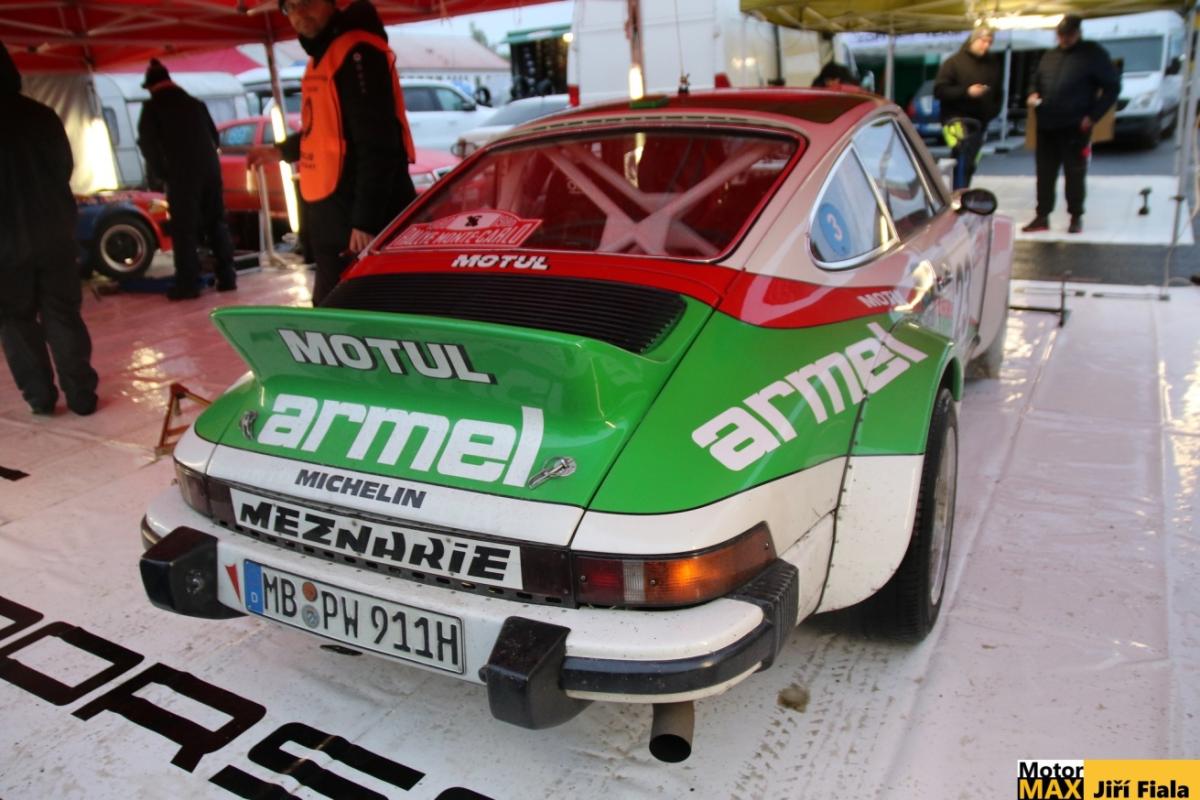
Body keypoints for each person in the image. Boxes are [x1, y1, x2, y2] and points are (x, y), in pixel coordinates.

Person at [248, 0, 416, 305]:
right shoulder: (323, 57)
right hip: (332, 215)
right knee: (333, 310)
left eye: (306, 2)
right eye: (289, 7)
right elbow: (323, 131)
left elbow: (378, 143)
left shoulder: (357, 53)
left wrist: (365, 220)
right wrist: (280, 151)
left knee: (360, 311)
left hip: (357, 219)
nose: (299, 13)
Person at [0, 42, 99, 416]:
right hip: (54, 232)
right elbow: (63, 168)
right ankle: (82, 395)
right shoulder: (42, 115)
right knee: (62, 313)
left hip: (5, 244)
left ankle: (40, 397)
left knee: (15, 320)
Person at [137, 59, 237, 300]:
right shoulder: (195, 103)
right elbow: (214, 137)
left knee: (184, 229)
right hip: (210, 170)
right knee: (216, 222)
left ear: (151, 86)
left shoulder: (153, 108)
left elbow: (148, 146)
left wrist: (162, 174)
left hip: (182, 173)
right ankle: (227, 277)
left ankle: (188, 284)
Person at [1023, 14, 1119, 234]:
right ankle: (1042, 215)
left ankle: (1076, 216)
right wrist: (1032, 93)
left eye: (1069, 35)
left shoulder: (1093, 54)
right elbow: (1035, 81)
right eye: (1061, 35)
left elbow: (1112, 87)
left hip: (1075, 126)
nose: (1065, 39)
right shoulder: (1049, 55)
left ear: (1078, 33)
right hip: (1047, 124)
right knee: (1044, 173)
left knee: (1074, 173)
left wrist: (1093, 116)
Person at [934, 27, 1002, 190]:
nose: (986, 45)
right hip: (954, 120)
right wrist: (966, 92)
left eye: (989, 42)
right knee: (961, 156)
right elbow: (940, 90)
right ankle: (958, 191)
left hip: (980, 122)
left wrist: (992, 111)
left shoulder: (993, 64)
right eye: (983, 41)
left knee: (970, 162)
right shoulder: (953, 63)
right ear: (973, 40)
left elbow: (998, 92)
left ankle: (962, 191)